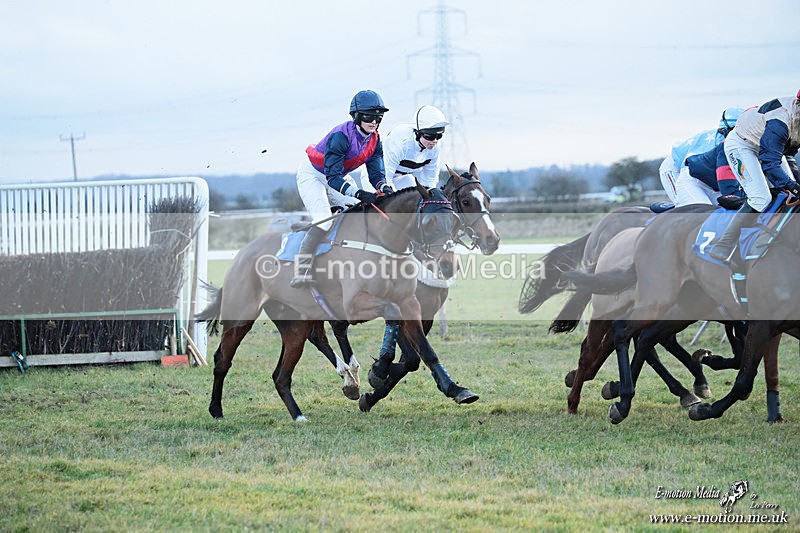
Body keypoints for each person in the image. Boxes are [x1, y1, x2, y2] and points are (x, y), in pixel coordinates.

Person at [291, 89, 391, 287]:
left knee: (359, 213)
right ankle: (301, 269)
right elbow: (333, 178)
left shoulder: (375, 139)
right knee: (323, 221)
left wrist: (384, 186)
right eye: (370, 116)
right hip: (313, 175)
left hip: (335, 176)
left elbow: (376, 173)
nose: (374, 121)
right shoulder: (341, 136)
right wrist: (360, 192)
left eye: (378, 117)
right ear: (357, 116)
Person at [708, 92, 800, 262]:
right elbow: (769, 162)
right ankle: (724, 244)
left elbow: (785, 154)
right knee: (761, 198)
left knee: (791, 193)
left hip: (768, 147)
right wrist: (793, 185)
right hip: (743, 145)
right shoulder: (780, 122)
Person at [659, 107, 744, 204]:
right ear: (724, 129)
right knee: (685, 204)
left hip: (700, 173)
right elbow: (688, 167)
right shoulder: (711, 144)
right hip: (676, 167)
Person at [365, 105, 449, 192]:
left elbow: (430, 180)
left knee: (419, 198)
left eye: (439, 136)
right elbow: (386, 176)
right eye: (430, 136)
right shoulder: (401, 143)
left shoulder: (435, 148)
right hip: (376, 177)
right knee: (388, 201)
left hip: (402, 177)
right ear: (417, 133)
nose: (434, 141)